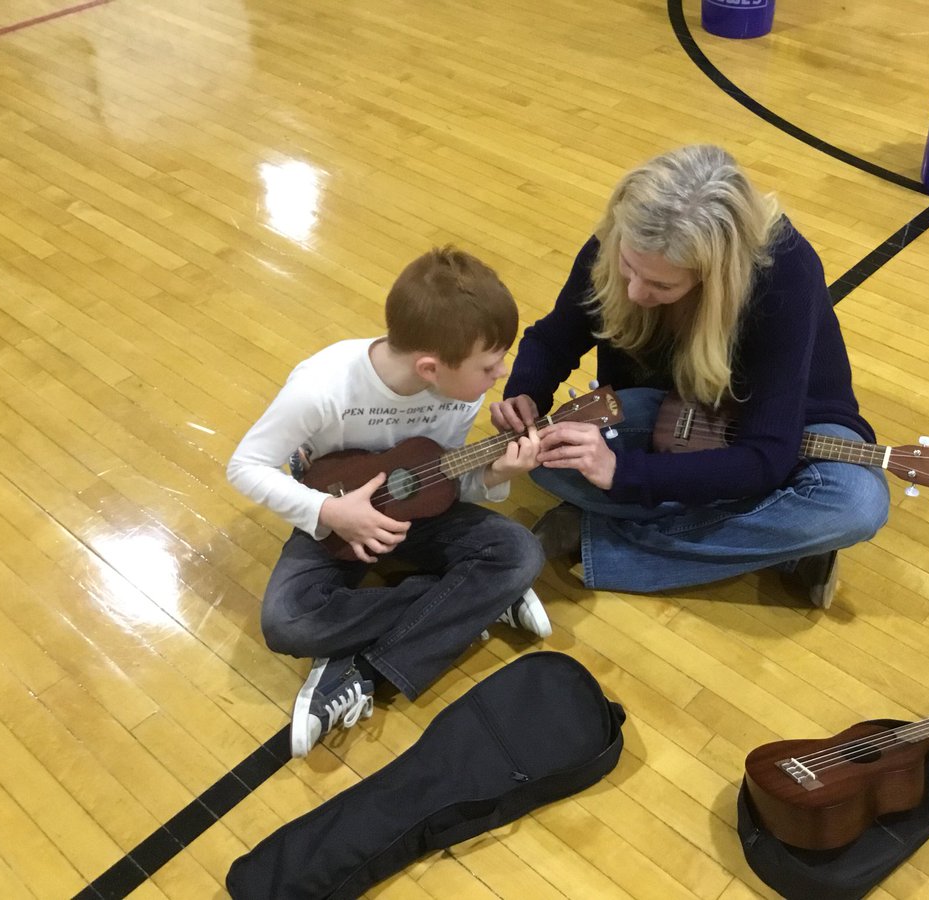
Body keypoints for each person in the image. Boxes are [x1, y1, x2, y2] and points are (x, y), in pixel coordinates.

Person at [490, 145, 889, 608]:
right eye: (629, 269)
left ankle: (598, 538)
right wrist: (526, 391)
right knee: (546, 464)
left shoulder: (786, 270)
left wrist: (622, 473)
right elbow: (556, 337)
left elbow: (766, 455)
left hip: (795, 422)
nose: (636, 292)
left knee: (857, 503)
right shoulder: (628, 235)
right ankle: (782, 541)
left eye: (662, 285)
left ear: (713, 275)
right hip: (672, 415)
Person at [228, 247, 549, 758]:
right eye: (489, 365)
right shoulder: (321, 387)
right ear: (429, 367)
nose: (501, 375)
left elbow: (434, 478)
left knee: (520, 552)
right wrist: (330, 513)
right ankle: (472, 602)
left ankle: (354, 663)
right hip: (334, 513)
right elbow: (244, 466)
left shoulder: (458, 391)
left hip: (415, 513)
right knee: (288, 621)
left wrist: (493, 474)